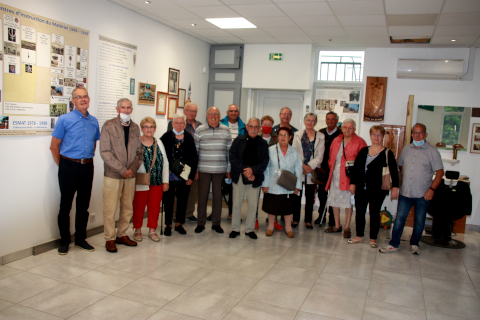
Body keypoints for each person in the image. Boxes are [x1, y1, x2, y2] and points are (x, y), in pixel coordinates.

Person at [380, 123, 444, 255]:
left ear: (425, 135)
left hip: (422, 194)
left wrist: (431, 189)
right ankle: (394, 244)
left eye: (421, 133)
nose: (418, 135)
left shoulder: (432, 151)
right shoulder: (406, 149)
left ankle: (415, 243)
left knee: (419, 221)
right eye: (415, 132)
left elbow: (440, 172)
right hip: (405, 193)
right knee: (400, 219)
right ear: (412, 134)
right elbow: (401, 167)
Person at [50, 87, 100, 255]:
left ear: (89, 98)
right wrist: (63, 166)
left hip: (87, 166)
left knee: (83, 206)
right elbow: (54, 146)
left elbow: (94, 144)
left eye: (85, 96)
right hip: (68, 166)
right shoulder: (64, 119)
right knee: (65, 206)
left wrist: (85, 160)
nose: (82, 99)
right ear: (73, 101)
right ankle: (65, 241)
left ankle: (80, 239)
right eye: (78, 97)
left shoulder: (94, 121)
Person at [100, 98, 143, 253]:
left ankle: (122, 234)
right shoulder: (108, 126)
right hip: (113, 175)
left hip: (130, 176)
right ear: (117, 109)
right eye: (122, 108)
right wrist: (121, 169)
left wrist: (131, 169)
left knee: (127, 207)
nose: (125, 110)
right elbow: (105, 152)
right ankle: (110, 238)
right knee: (110, 208)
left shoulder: (135, 128)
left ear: (131, 109)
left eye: (128, 108)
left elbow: (140, 153)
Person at [349, 125, 399, 247]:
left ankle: (373, 238)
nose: (376, 137)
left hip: (378, 189)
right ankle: (359, 235)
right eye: (374, 134)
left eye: (379, 134)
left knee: (374, 213)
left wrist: (395, 188)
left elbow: (394, 172)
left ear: (382, 136)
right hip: (361, 187)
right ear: (370, 136)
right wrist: (353, 183)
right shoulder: (364, 151)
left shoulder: (387, 153)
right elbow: (356, 169)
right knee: (360, 212)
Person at [324, 119, 367, 238]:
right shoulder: (336, 139)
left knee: (348, 202)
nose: (347, 130)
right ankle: (337, 225)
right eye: (345, 127)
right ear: (341, 128)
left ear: (354, 129)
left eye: (350, 128)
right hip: (335, 176)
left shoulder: (360, 142)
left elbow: (362, 163)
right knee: (334, 200)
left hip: (350, 178)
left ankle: (347, 226)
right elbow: (330, 156)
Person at [229, 117, 269, 240]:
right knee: (236, 204)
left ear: (259, 129)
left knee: (253, 205)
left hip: (255, 177)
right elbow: (232, 157)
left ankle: (249, 229)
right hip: (239, 175)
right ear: (246, 127)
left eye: (256, 127)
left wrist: (253, 171)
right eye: (251, 126)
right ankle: (235, 228)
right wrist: (245, 170)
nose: (253, 129)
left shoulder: (263, 143)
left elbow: (265, 161)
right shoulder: (238, 140)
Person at [194, 106, 232, 234]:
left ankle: (216, 224)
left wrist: (229, 169)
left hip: (220, 170)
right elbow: (196, 151)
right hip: (203, 169)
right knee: (202, 198)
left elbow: (229, 151)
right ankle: (201, 223)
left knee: (217, 198)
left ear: (219, 115)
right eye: (211, 114)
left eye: (216, 114)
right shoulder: (200, 130)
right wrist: (196, 170)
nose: (213, 117)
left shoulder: (226, 130)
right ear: (206, 115)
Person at [132, 117, 169, 242]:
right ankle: (137, 229)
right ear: (142, 129)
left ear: (155, 129)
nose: (149, 129)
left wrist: (165, 181)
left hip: (157, 181)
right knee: (139, 206)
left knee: (154, 207)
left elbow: (165, 163)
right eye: (146, 127)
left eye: (151, 127)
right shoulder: (137, 143)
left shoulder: (159, 142)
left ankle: (152, 230)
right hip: (141, 181)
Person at [262, 127, 303, 238]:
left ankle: (288, 227)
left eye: (286, 135)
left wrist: (298, 186)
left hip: (288, 185)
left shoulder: (294, 152)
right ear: (277, 137)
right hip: (273, 183)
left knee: (288, 207)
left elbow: (298, 170)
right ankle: (270, 226)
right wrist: (265, 184)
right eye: (281, 135)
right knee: (272, 206)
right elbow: (266, 169)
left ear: (290, 138)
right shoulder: (270, 150)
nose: (283, 137)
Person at [161, 113, 198, 236]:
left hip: (184, 176)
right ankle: (168, 224)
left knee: (183, 200)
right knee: (168, 200)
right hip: (169, 176)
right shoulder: (166, 137)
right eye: (176, 123)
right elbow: (161, 157)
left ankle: (179, 224)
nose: (178, 125)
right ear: (172, 124)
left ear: (185, 124)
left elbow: (194, 158)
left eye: (181, 123)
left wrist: (191, 176)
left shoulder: (188, 138)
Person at [167, 102, 202, 223]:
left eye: (194, 111)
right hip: (179, 164)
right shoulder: (176, 123)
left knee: (193, 191)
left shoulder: (200, 126)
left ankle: (189, 213)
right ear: (185, 111)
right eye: (189, 111)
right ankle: (175, 215)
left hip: (194, 163)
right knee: (178, 193)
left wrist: (195, 168)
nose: (192, 113)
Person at [292, 113, 325, 229]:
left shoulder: (321, 136)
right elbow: (294, 152)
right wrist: (303, 166)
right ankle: (295, 219)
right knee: (297, 196)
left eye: (312, 121)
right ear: (304, 121)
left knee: (310, 197)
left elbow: (320, 156)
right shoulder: (297, 135)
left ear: (315, 122)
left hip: (312, 171)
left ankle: (308, 220)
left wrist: (309, 167)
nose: (310, 122)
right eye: (308, 120)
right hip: (299, 169)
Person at [314, 112, 342, 227]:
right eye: (328, 119)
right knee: (322, 193)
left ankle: (332, 217)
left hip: (336, 169)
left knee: (334, 194)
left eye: (333, 119)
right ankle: (322, 215)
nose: (330, 121)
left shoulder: (341, 134)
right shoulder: (320, 132)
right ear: (325, 120)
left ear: (336, 120)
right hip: (322, 169)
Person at [256, 115, 283, 231]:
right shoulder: (255, 137)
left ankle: (274, 220)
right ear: (261, 126)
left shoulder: (276, 138)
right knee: (255, 196)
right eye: (264, 124)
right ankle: (254, 219)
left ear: (272, 126)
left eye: (269, 125)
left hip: (273, 171)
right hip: (258, 170)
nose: (266, 126)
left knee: (273, 197)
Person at [220, 104, 246, 219]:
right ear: (227, 112)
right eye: (231, 111)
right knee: (218, 187)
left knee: (234, 189)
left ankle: (232, 212)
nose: (233, 113)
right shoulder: (220, 124)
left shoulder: (243, 127)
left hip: (236, 161)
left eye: (236, 111)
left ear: (238, 113)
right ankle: (215, 213)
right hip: (221, 159)